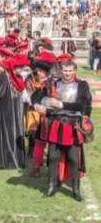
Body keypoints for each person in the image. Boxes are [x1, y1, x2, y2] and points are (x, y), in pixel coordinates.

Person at [34, 60, 92, 201]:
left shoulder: (82, 85)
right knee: (53, 157)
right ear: (61, 70)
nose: (67, 73)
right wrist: (38, 104)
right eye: (65, 71)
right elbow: (37, 97)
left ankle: (76, 190)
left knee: (73, 158)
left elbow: (80, 105)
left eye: (70, 71)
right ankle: (51, 186)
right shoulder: (53, 83)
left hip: (72, 126)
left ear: (75, 70)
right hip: (56, 124)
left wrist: (60, 104)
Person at [0, 54, 27, 169]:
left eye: (21, 67)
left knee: (16, 132)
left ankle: (17, 160)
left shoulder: (19, 78)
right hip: (6, 111)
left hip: (17, 111)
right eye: (18, 67)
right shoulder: (4, 76)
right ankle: (6, 160)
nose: (20, 69)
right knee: (7, 134)